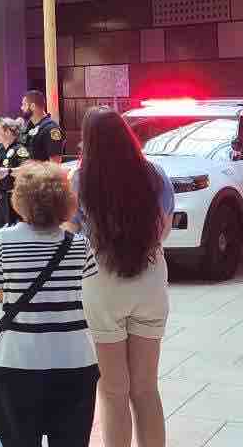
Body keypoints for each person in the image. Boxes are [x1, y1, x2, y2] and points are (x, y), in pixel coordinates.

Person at [73, 107, 174, 447]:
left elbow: (72, 232)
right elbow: (164, 230)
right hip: (149, 278)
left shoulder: (79, 179)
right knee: (146, 388)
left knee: (113, 389)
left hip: (102, 282)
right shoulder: (155, 174)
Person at [0, 162, 99, 447]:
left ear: (20, 199)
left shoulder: (0, 241)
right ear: (65, 200)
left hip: (17, 362)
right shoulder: (80, 244)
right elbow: (86, 286)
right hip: (75, 360)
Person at [0, 116, 31, 223]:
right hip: (0, 198)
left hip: (15, 199)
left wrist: (8, 171)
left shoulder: (20, 150)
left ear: (7, 132)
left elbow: (27, 170)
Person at [21, 90, 64, 164]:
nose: (22, 108)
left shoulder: (51, 129)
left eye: (24, 105)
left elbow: (55, 164)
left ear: (33, 106)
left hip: (42, 175)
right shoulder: (29, 127)